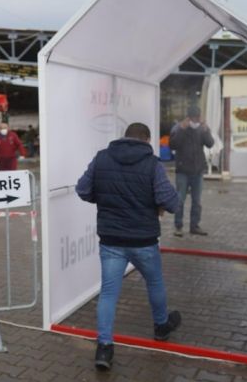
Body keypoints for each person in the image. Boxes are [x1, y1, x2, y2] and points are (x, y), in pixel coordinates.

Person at [76, 122, 181, 371]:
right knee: (154, 283)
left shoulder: (102, 158)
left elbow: (83, 190)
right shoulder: (153, 164)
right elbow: (170, 201)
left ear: (125, 137)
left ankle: (104, 347)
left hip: (111, 239)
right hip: (143, 239)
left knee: (109, 292)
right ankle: (161, 327)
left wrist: (103, 199)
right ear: (146, 140)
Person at [169, 105, 214, 237]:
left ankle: (194, 226)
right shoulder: (178, 127)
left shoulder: (202, 128)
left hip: (198, 171)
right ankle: (178, 226)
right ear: (188, 117)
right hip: (182, 171)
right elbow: (172, 145)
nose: (195, 120)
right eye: (193, 118)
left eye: (197, 118)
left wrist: (206, 131)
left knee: (197, 201)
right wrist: (182, 129)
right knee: (179, 200)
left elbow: (210, 144)